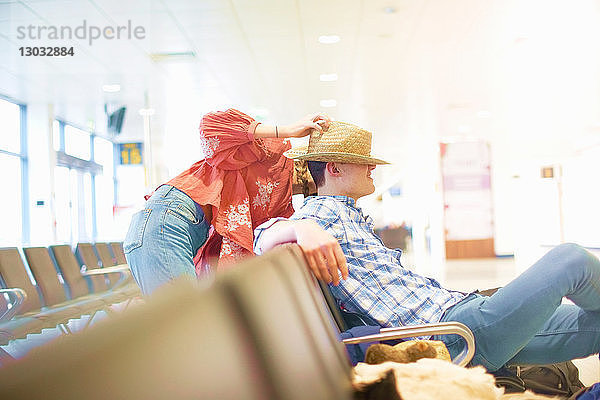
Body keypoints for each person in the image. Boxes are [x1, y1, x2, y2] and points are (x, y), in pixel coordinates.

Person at [253, 120, 600, 372]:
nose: (373, 166)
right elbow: (260, 238)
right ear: (335, 167)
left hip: (461, 320)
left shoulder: (348, 214)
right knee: (572, 259)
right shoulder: (323, 211)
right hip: (453, 333)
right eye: (364, 161)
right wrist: (299, 228)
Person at [123, 108, 337, 295]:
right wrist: (288, 130)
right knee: (190, 325)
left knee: (191, 324)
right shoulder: (274, 153)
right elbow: (211, 127)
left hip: (180, 226)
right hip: (168, 219)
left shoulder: (284, 204)